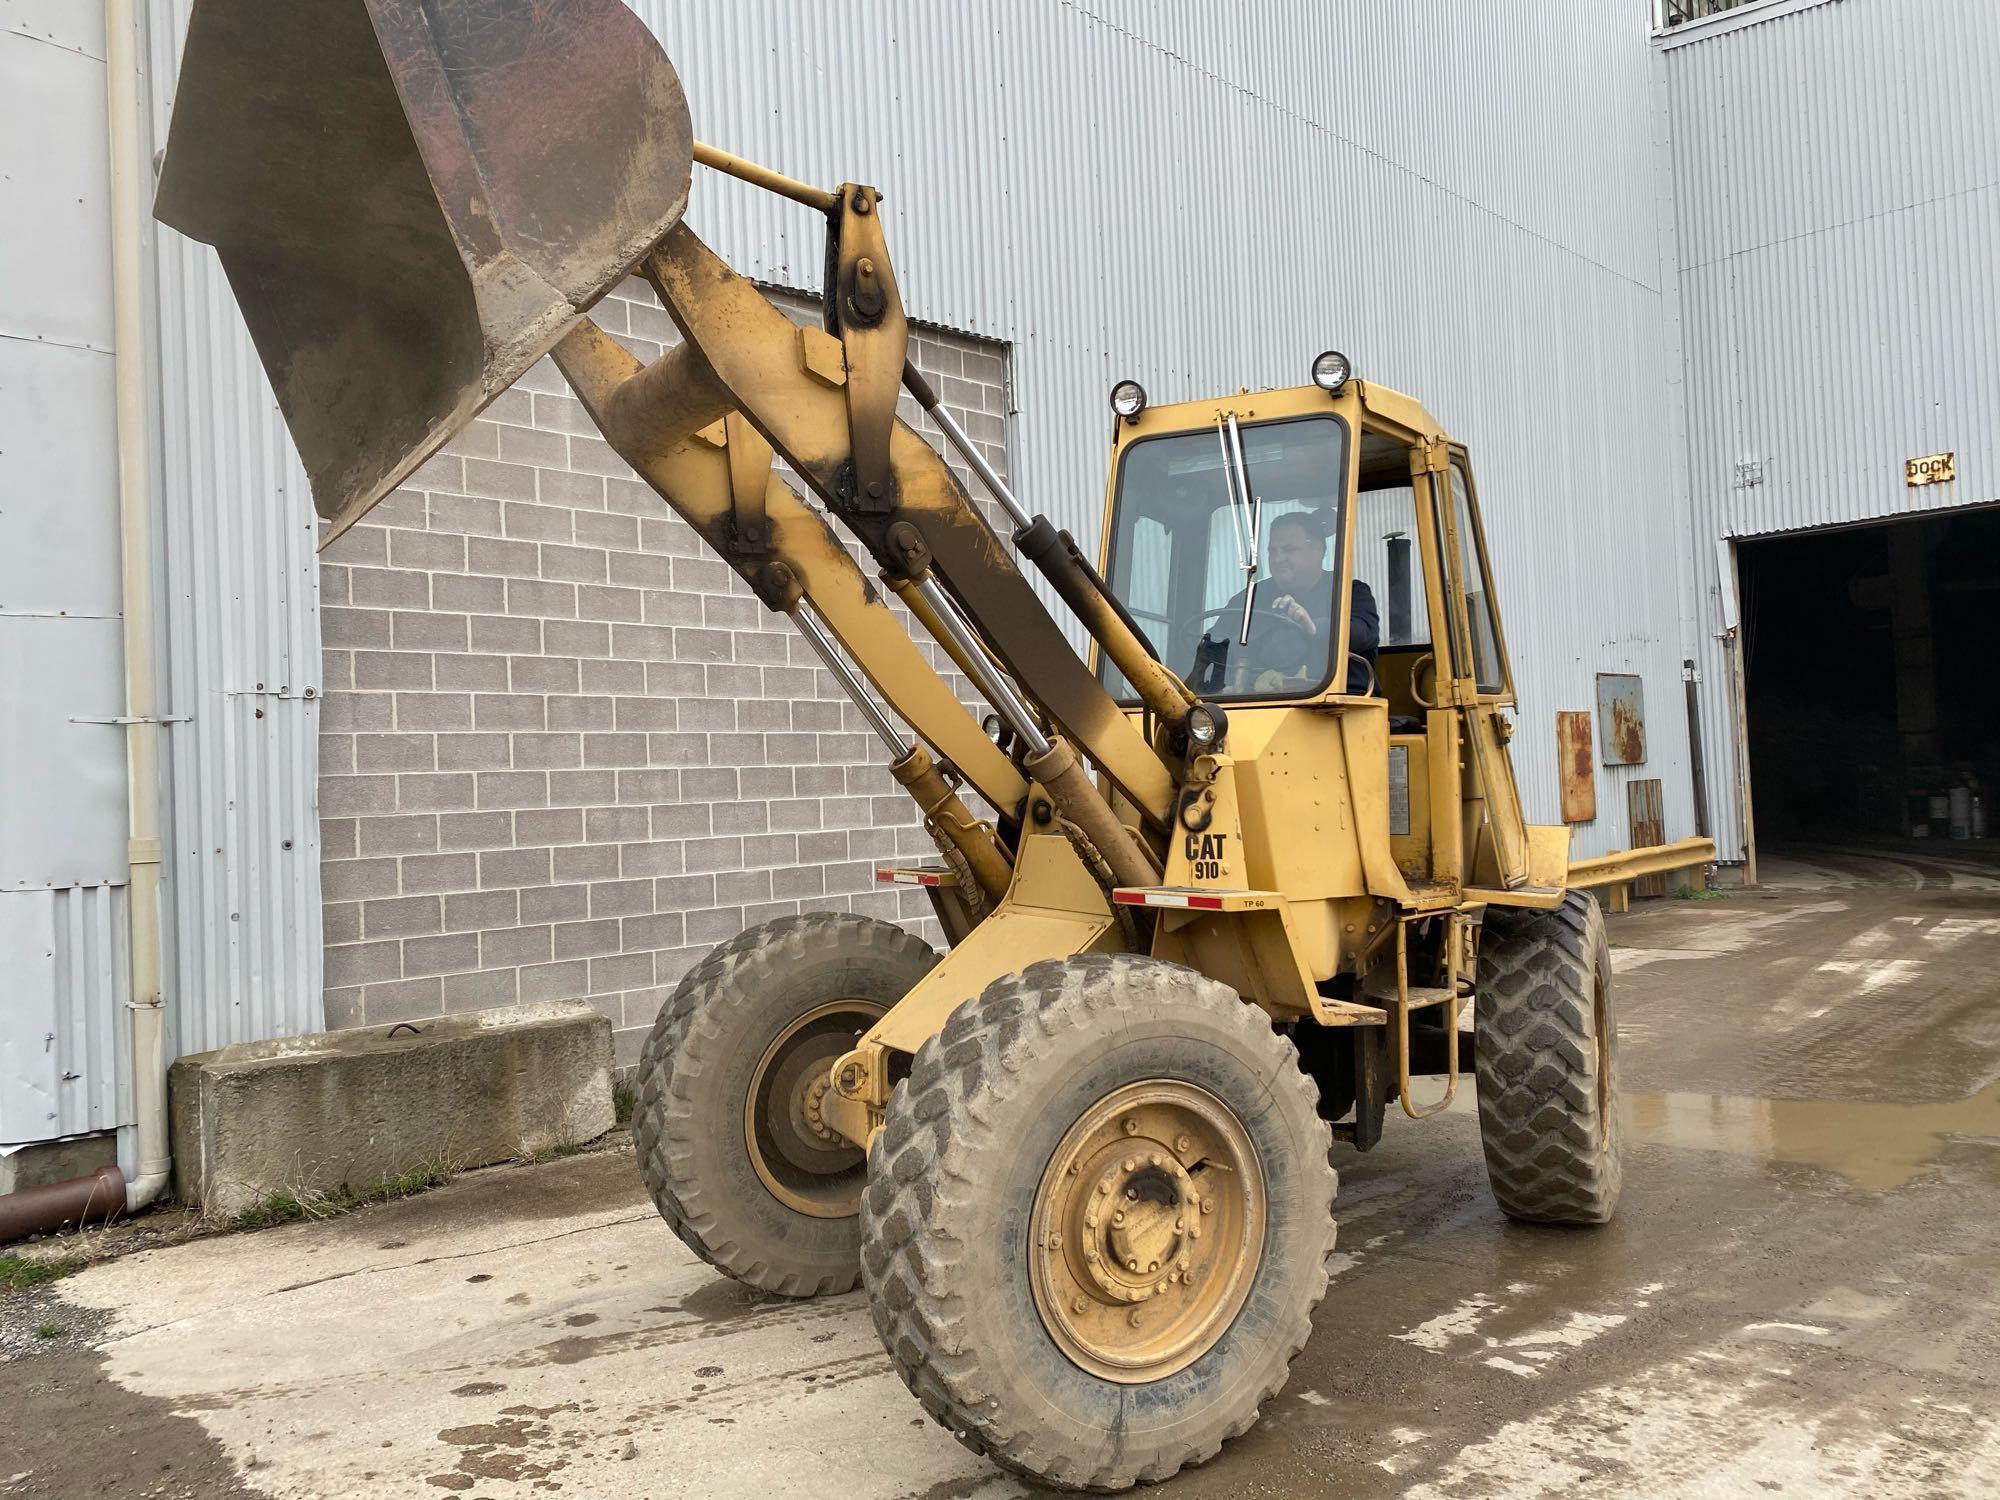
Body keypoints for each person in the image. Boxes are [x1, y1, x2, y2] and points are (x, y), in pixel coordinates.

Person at [1215, 511, 1378, 693]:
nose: (1277, 559)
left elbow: (1363, 633)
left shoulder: (1349, 592)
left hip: (1336, 706)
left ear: (1317, 550)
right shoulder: (1248, 599)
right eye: (1272, 551)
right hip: (1256, 705)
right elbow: (1212, 646)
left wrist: (1312, 626)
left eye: (1288, 550)